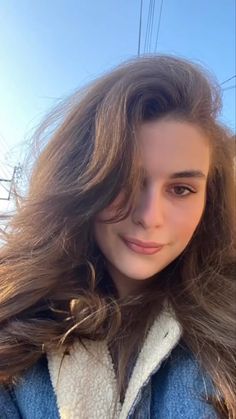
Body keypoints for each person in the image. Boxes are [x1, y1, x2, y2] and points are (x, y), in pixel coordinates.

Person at [0, 55, 235, 419]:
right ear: (83, 180)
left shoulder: (228, 327)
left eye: (182, 189)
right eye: (125, 180)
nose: (149, 217)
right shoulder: (14, 325)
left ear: (210, 200)